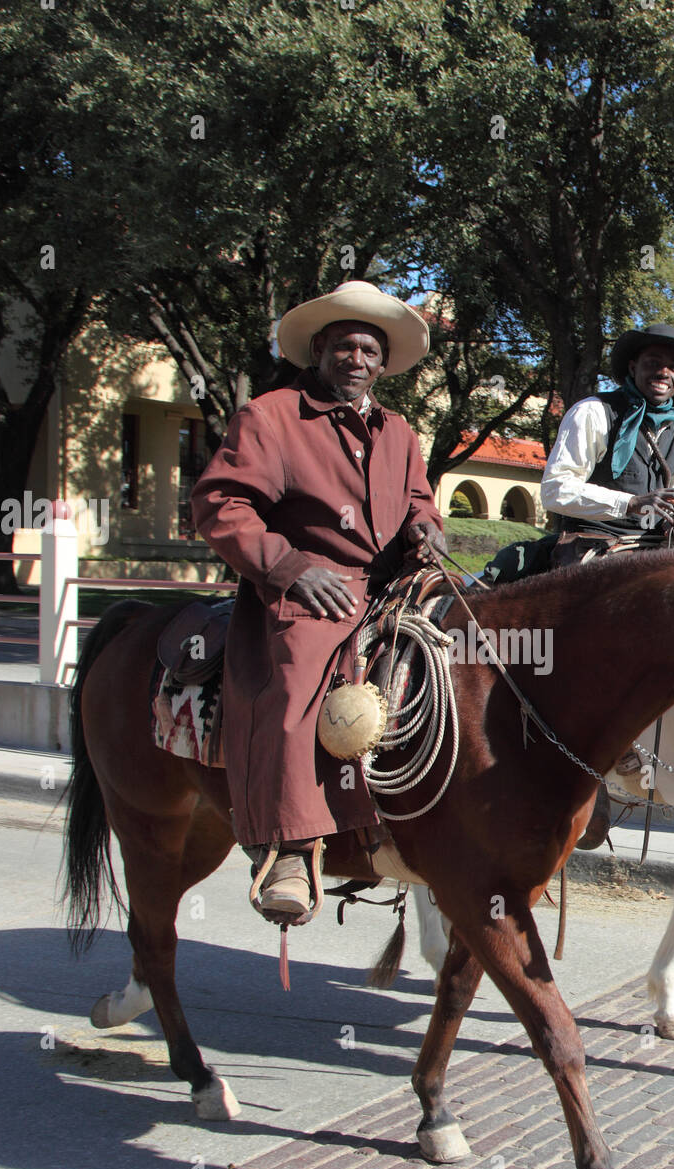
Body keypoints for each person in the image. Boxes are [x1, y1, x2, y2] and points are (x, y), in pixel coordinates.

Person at [192, 281, 444, 922]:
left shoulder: (399, 432)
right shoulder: (271, 416)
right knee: (299, 670)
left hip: (391, 585)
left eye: (368, 349)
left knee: (469, 651)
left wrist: (426, 529)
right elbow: (221, 503)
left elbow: (418, 500)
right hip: (306, 587)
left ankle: (420, 817)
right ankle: (287, 847)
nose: (355, 359)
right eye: (343, 346)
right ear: (319, 352)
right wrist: (288, 566)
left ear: (382, 363)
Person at [541, 323, 674, 549]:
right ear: (632, 368)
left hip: (657, 544)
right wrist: (630, 502)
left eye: (673, 367)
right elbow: (555, 488)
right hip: (595, 541)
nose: (664, 373)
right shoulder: (594, 411)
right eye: (653, 363)